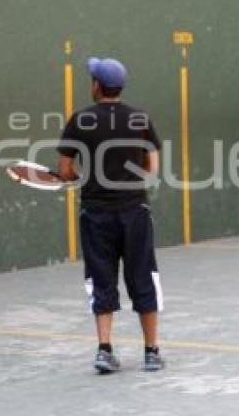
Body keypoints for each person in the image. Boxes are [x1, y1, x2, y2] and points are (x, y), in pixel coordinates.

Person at [56, 57, 164, 373]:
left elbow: (64, 170)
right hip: (135, 212)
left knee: (101, 278)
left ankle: (104, 350)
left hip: (96, 214)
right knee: (143, 276)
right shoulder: (139, 119)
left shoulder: (81, 120)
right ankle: (152, 353)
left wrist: (75, 175)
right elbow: (152, 167)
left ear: (97, 86)